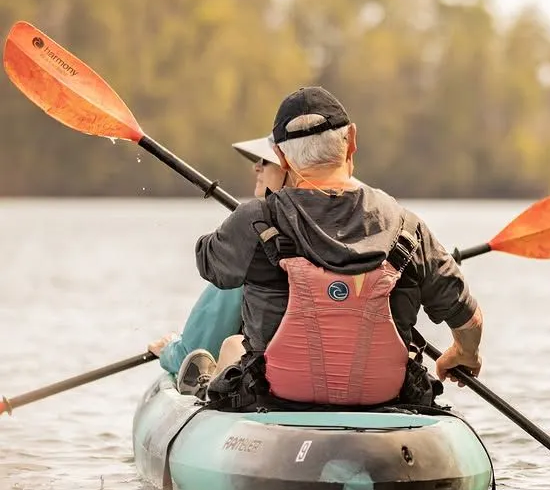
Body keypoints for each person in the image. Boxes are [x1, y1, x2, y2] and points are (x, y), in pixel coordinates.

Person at [189, 86, 483, 411]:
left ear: (283, 159)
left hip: (276, 396)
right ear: (352, 141)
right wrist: (464, 352)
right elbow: (467, 318)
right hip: (387, 398)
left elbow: (210, 263)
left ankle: (200, 383)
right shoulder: (406, 226)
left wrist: (251, 223)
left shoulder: (255, 219)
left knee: (232, 347)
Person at [147, 136, 287, 395]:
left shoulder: (249, 247)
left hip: (271, 388)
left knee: (232, 347)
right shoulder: (346, 234)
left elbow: (195, 351)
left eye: (266, 161)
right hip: (341, 380)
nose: (256, 167)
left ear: (289, 167)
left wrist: (169, 350)